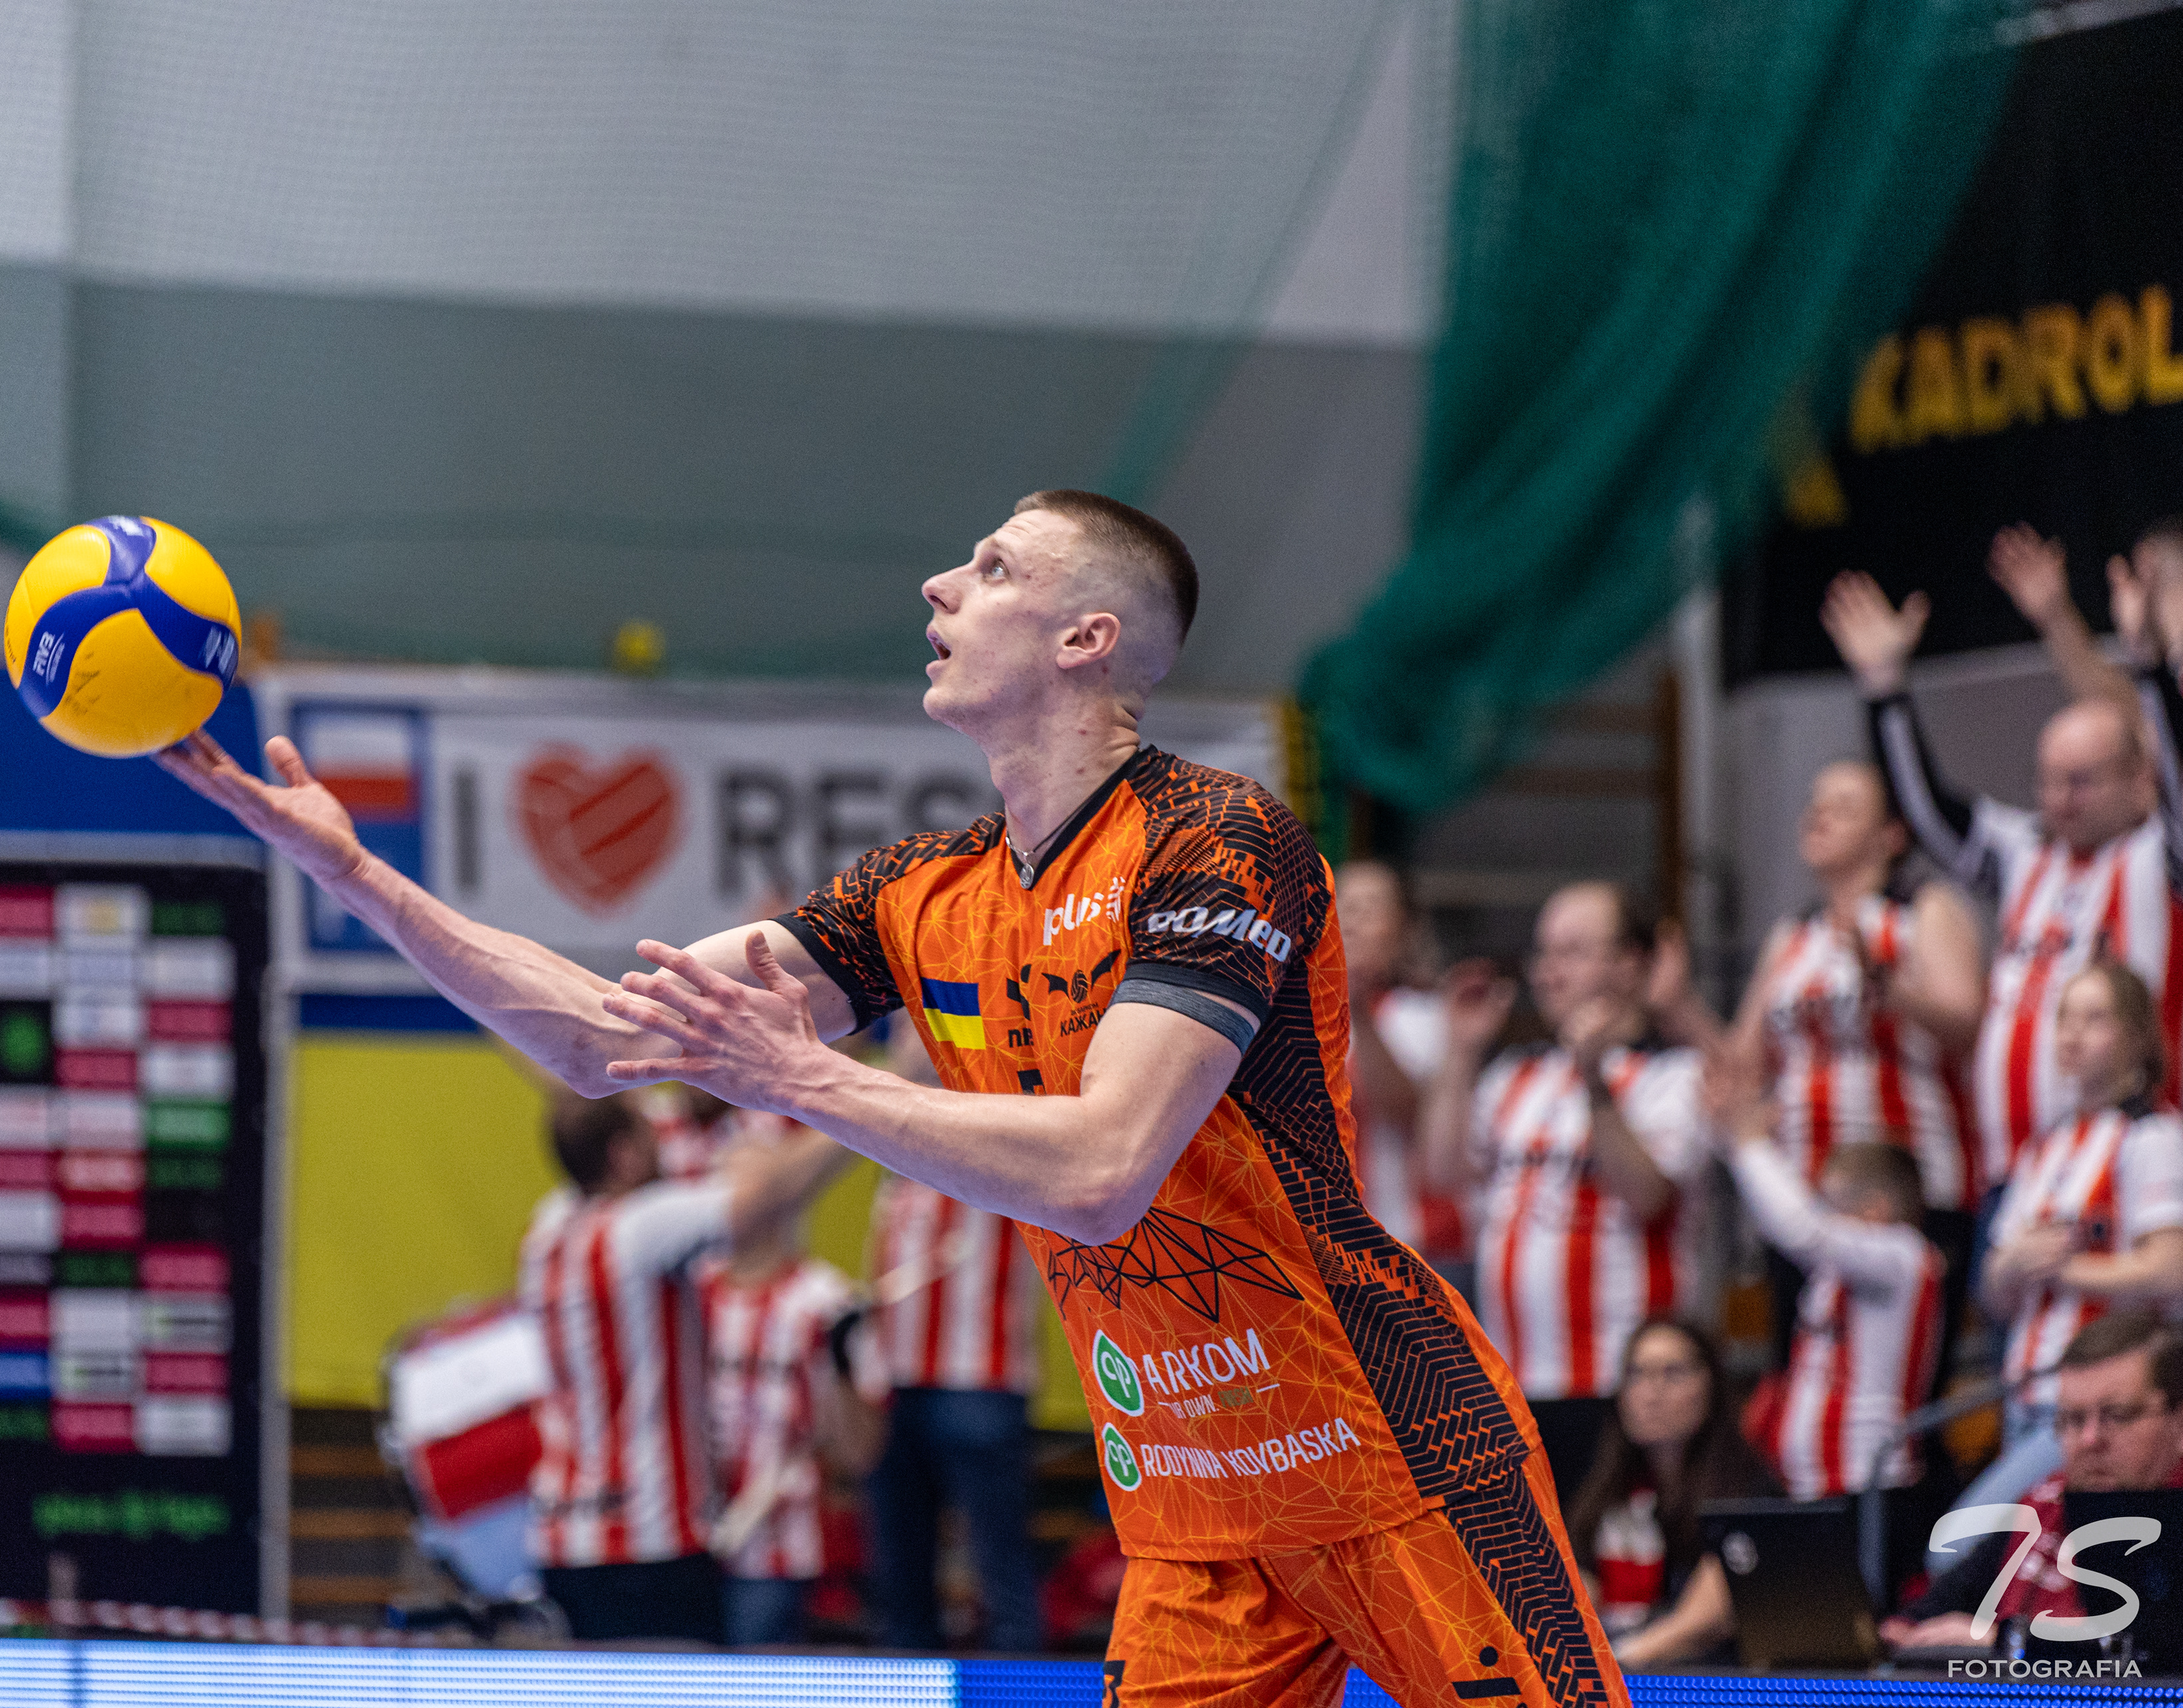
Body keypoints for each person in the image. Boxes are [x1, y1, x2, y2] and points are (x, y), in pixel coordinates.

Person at [161, 490, 1630, 1707]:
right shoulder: (918, 895)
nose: (939, 582)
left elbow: (1102, 1167)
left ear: (1086, 637)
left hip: (1384, 1446)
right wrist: (356, 875)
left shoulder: (1215, 838)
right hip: (1190, 1507)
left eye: (991, 566)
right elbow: (605, 1040)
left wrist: (803, 1078)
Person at [1820, 530, 2183, 1200]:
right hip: (2014, 1174)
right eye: (2048, 782)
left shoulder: (2158, 857)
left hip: (2126, 1173)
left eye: (2081, 782)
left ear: (2141, 781)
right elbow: (1928, 814)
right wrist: (1885, 693)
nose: (2059, 800)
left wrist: (2151, 669)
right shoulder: (2028, 854)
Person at [519, 1095, 851, 1641]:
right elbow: (770, 1194)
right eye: (653, 1139)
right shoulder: (638, 1227)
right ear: (624, 1155)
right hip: (648, 1537)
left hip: (562, 1531)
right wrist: (865, 1112)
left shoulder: (548, 1229)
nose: (669, 1153)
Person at [1422, 882, 1710, 1497]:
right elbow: (1444, 1170)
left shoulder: (1674, 1076)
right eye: (1544, 953)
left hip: (1624, 1386)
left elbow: (1650, 1196)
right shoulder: (1517, 1076)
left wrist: (1594, 1081)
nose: (1549, 972)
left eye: (1573, 952)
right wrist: (1460, 1052)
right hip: (1515, 1382)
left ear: (1630, 964)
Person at [1720, 761, 1983, 1368]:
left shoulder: (1923, 908)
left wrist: (1893, 991)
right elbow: (1742, 1062)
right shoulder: (1794, 933)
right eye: (1815, 803)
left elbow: (1970, 1028)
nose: (1818, 815)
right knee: (1803, 1375)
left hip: (1911, 1184)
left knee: (1898, 1377)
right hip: (1805, 1193)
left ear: (1892, 834)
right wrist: (1678, 1008)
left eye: (1842, 806)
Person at [1706, 1043, 1945, 1581]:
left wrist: (1748, 1143)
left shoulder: (1904, 1256)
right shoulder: (1834, 1278)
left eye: (1833, 1204)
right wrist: (1732, 1135)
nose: (1822, 1217)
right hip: (1810, 1486)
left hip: (1868, 1486)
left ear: (1875, 1209)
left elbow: (1802, 1231)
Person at [1970, 960, 2183, 1516]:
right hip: (2027, 1395)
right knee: (2018, 1551)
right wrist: (2011, 1265)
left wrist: (2056, 1268)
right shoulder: (2047, 1145)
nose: (2072, 1034)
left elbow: (2170, 1269)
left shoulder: (2152, 1135)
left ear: (2137, 1036)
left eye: (2095, 1019)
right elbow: (1994, 1292)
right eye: (2065, 1018)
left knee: (1961, 1544)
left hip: (2099, 1409)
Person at [864, 1022, 1044, 1653]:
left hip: (979, 1376)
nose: (902, 1047)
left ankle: (1022, 1689)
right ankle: (907, 1680)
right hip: (896, 1379)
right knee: (900, 1571)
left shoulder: (999, 1114)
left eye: (914, 1031)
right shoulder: (895, 1136)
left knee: (999, 1566)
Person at [1880, 1309, 2183, 1651]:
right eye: (2073, 1419)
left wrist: (2007, 1642)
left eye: (2117, 1415)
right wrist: (1891, 1636)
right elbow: (1933, 1608)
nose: (2090, 1440)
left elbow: (2149, 1650)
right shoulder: (2046, 1504)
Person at [703, 1126, 888, 1647]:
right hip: (686, 1547)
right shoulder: (687, 1292)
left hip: (779, 1551)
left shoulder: (822, 1301)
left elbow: (861, 1451)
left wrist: (841, 1361)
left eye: (754, 1186)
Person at [1563, 1320, 1777, 1668]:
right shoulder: (1605, 1489)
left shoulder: (1748, 1489)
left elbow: (1707, 1620)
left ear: (1711, 1386)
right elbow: (1575, 1594)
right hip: (1617, 1664)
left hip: (1701, 1679)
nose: (1651, 1394)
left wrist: (1609, 1666)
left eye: (1673, 1373)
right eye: (1637, 1374)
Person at [1337, 860, 1464, 1276]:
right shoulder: (1306, 1013)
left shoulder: (1427, 1013)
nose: (1350, 920)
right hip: (1333, 1252)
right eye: (1341, 904)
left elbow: (1405, 1110)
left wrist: (1358, 1009)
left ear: (1405, 930)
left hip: (1411, 1246)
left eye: (1370, 908)